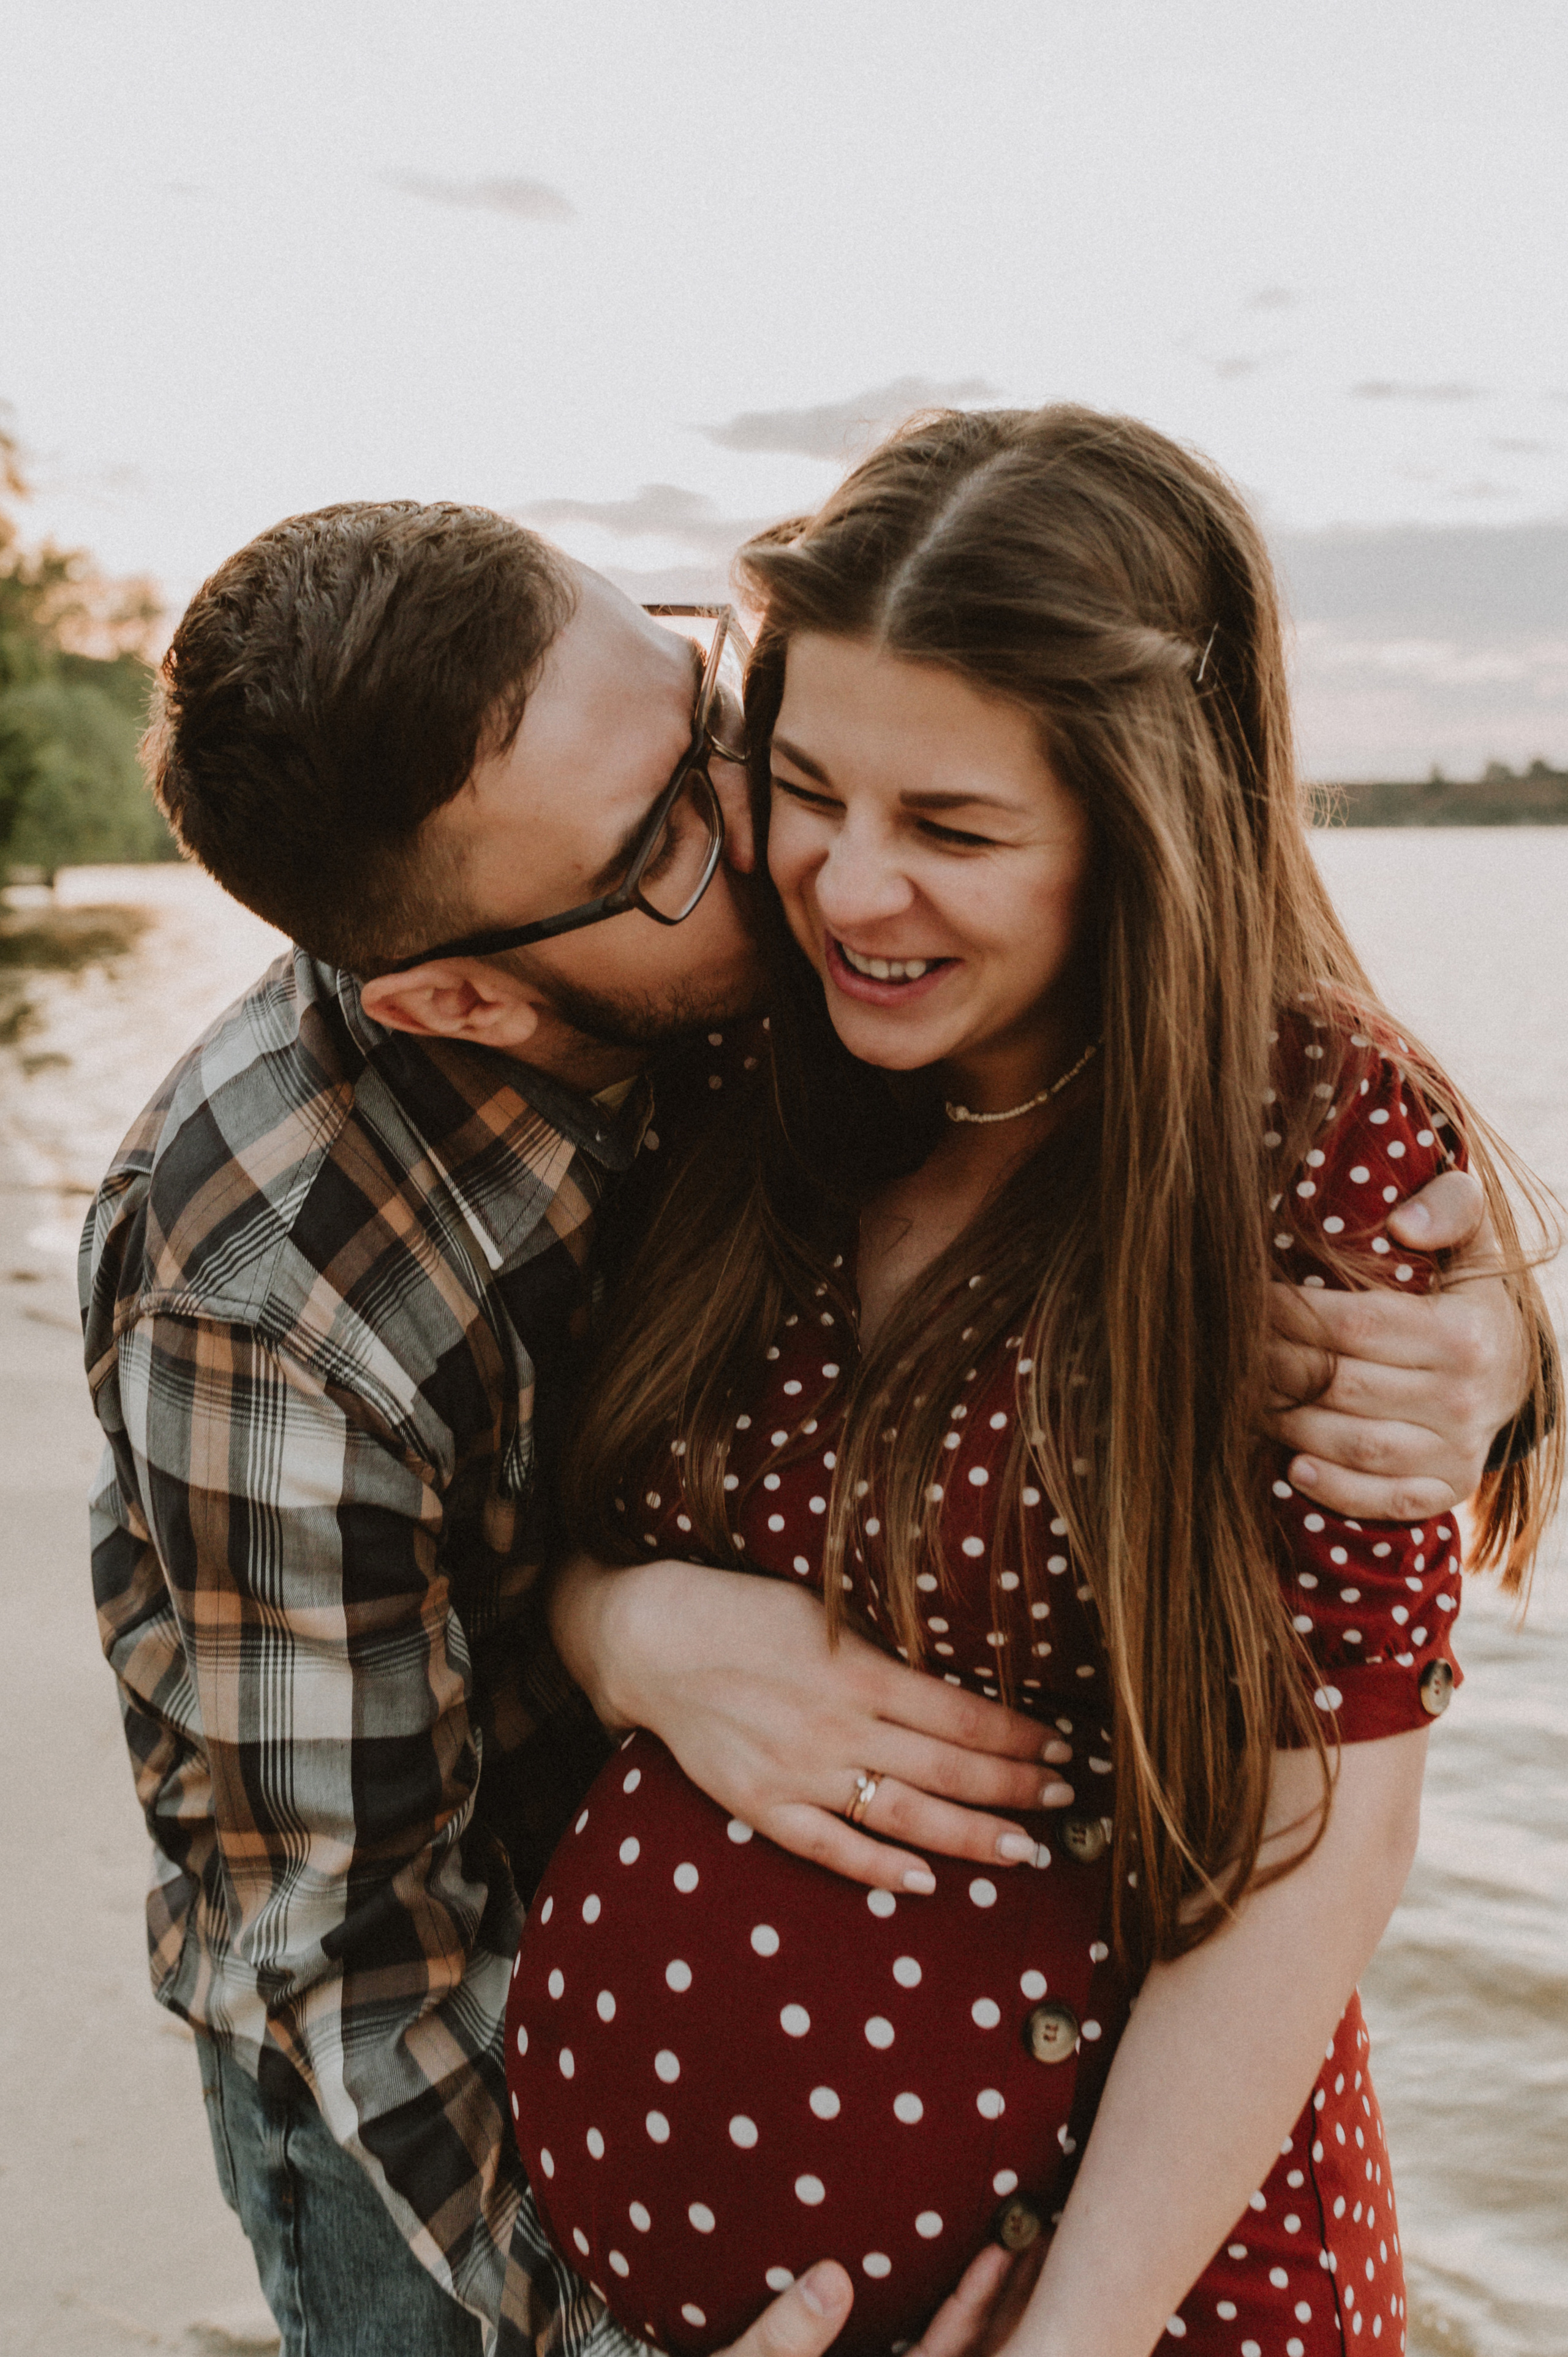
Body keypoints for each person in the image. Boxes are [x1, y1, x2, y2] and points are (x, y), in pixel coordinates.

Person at [83, 497, 1531, 2357]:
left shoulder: (796, 983)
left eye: (713, 711)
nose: (789, 854)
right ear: (461, 995)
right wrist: (614, 1628)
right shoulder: (264, 1292)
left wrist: (1480, 1353)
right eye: (682, 836)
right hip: (423, 2151)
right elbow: (346, 1938)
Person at [504, 408, 1561, 2357]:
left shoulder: (1302, 1160)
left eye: (958, 831)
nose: (849, 888)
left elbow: (1314, 1841)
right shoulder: (756, 1061)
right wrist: (615, 1625)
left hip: (1119, 2301)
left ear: (1150, 824)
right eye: (806, 786)